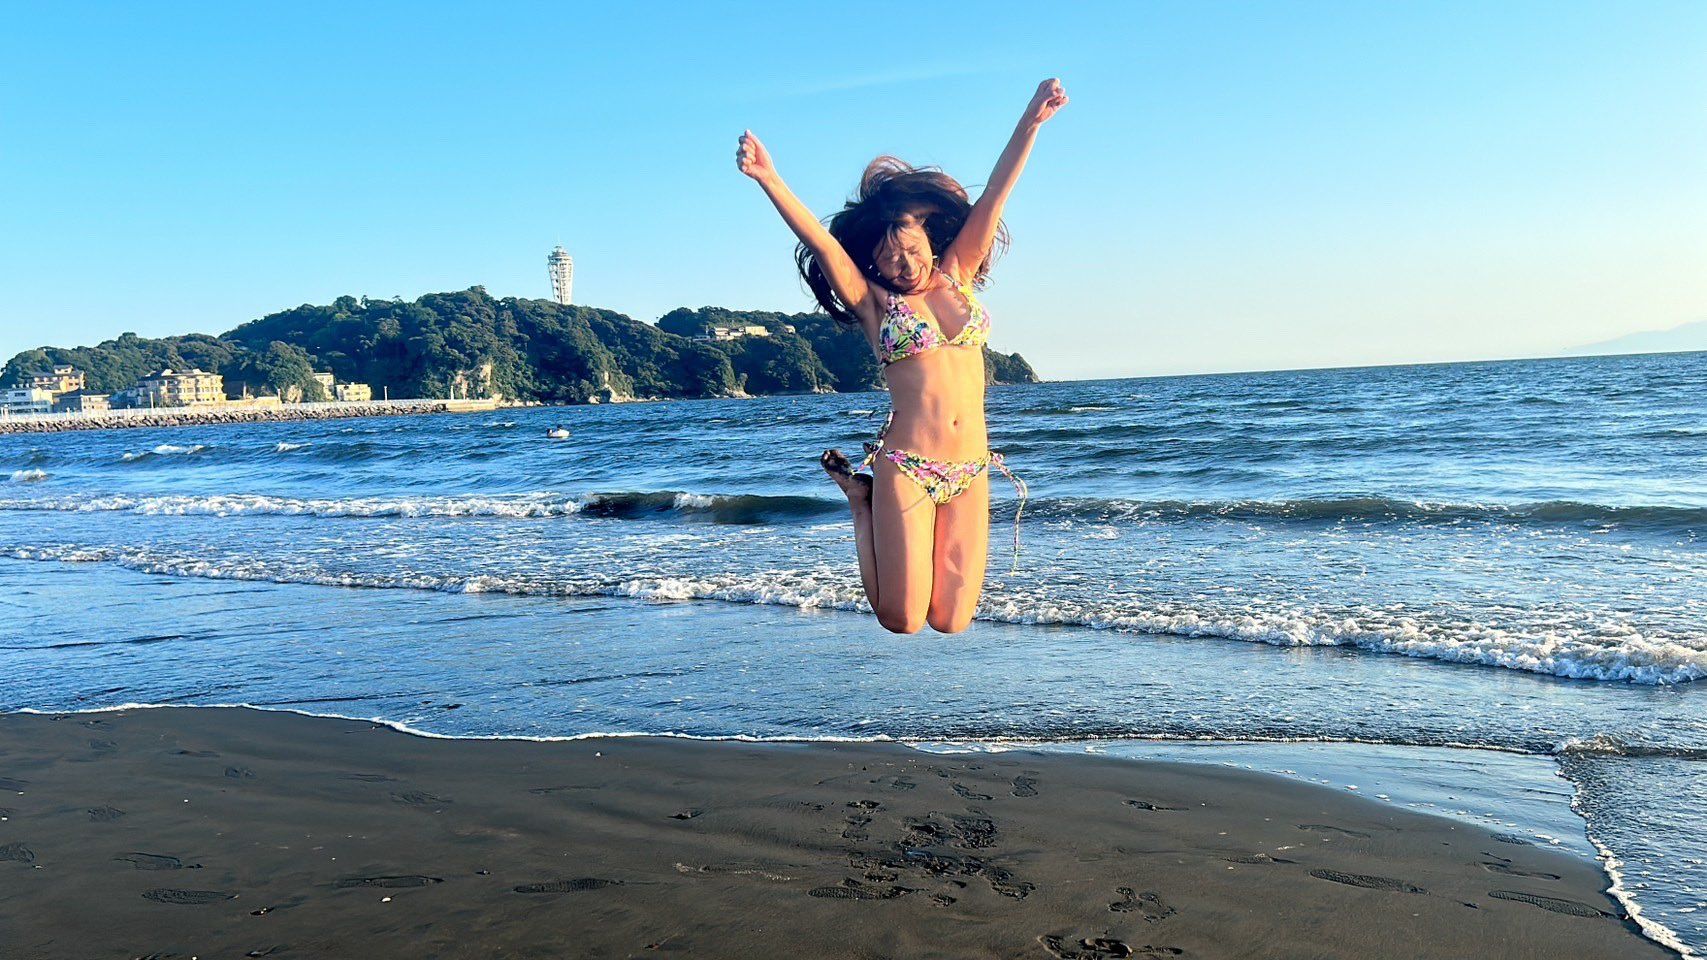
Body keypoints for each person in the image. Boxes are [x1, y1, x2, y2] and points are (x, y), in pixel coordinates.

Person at [736, 78, 1068, 634]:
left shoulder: (959, 273)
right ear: (875, 265)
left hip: (972, 466)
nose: (905, 264)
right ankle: (861, 503)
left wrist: (1031, 122)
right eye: (890, 259)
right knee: (903, 619)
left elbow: (995, 195)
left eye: (912, 250)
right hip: (908, 465)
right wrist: (770, 178)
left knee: (952, 620)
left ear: (929, 240)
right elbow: (822, 243)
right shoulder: (875, 304)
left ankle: (867, 503)